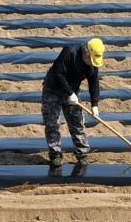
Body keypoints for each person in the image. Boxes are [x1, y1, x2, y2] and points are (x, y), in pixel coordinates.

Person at [42, 38, 105, 166]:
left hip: (72, 92)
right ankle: (55, 155)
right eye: (89, 60)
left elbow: (94, 83)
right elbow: (58, 73)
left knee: (77, 123)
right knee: (52, 123)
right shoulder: (70, 52)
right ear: (86, 52)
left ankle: (82, 154)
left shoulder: (92, 63)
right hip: (52, 89)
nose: (90, 63)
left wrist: (95, 105)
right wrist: (70, 93)